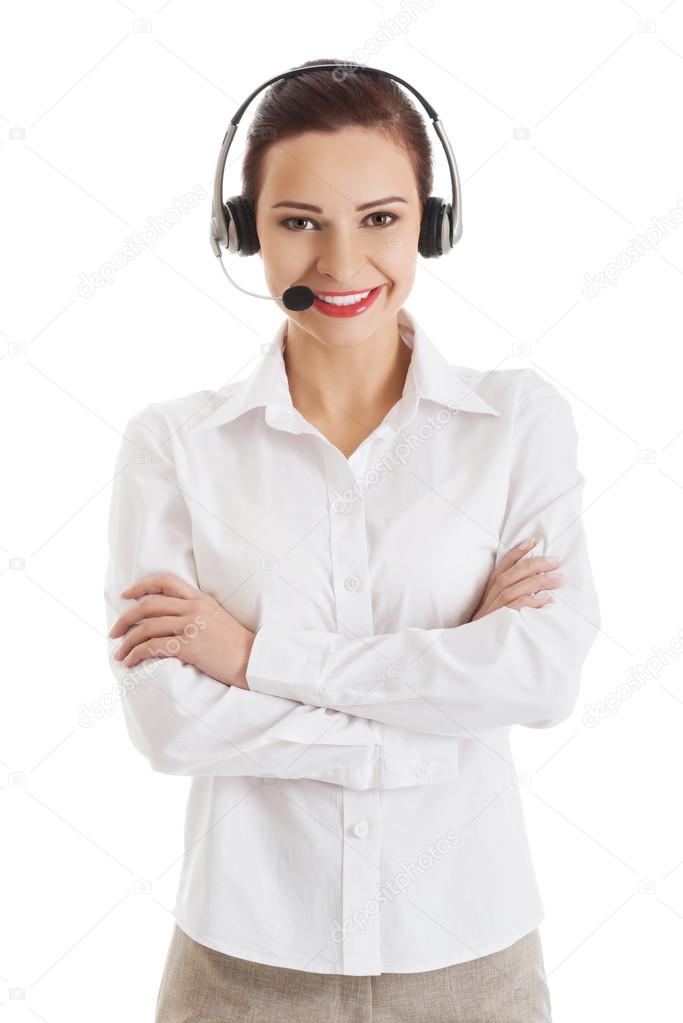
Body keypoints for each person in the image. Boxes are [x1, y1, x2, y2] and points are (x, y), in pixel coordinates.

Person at [104, 58, 600, 1023]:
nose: (339, 265)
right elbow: (169, 722)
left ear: (431, 225)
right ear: (245, 231)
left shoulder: (514, 423)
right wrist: (428, 716)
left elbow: (538, 677)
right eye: (299, 222)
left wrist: (255, 658)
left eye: (379, 219)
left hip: (471, 958)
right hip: (241, 963)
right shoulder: (173, 445)